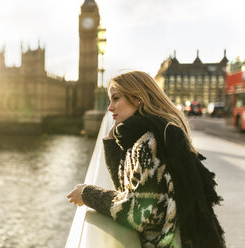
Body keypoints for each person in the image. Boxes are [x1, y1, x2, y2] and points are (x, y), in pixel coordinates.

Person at [67, 71, 225, 248]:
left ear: (138, 98)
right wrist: (111, 141)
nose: (110, 107)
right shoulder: (152, 132)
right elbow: (128, 188)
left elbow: (140, 214)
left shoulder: (148, 143)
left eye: (116, 98)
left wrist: (87, 194)